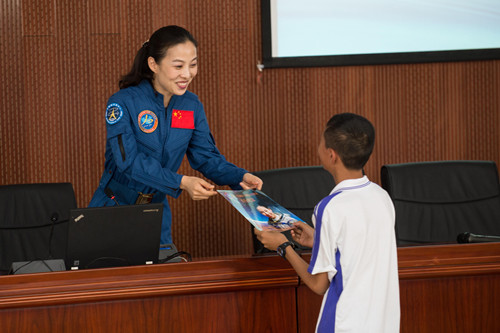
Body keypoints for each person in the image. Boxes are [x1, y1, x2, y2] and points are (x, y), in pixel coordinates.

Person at [89, 25, 262, 245]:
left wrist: (238, 176)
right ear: (154, 64)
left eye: (193, 65)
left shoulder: (191, 105)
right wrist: (181, 181)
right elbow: (129, 163)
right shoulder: (123, 102)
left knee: (162, 277)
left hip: (155, 214)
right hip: (113, 209)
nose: (187, 74)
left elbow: (206, 157)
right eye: (178, 66)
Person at [255, 113, 400, 332]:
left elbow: (318, 284)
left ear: (331, 155)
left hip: (344, 323)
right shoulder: (382, 197)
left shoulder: (329, 207)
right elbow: (360, 250)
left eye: (321, 142)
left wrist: (283, 247)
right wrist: (318, 239)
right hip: (383, 323)